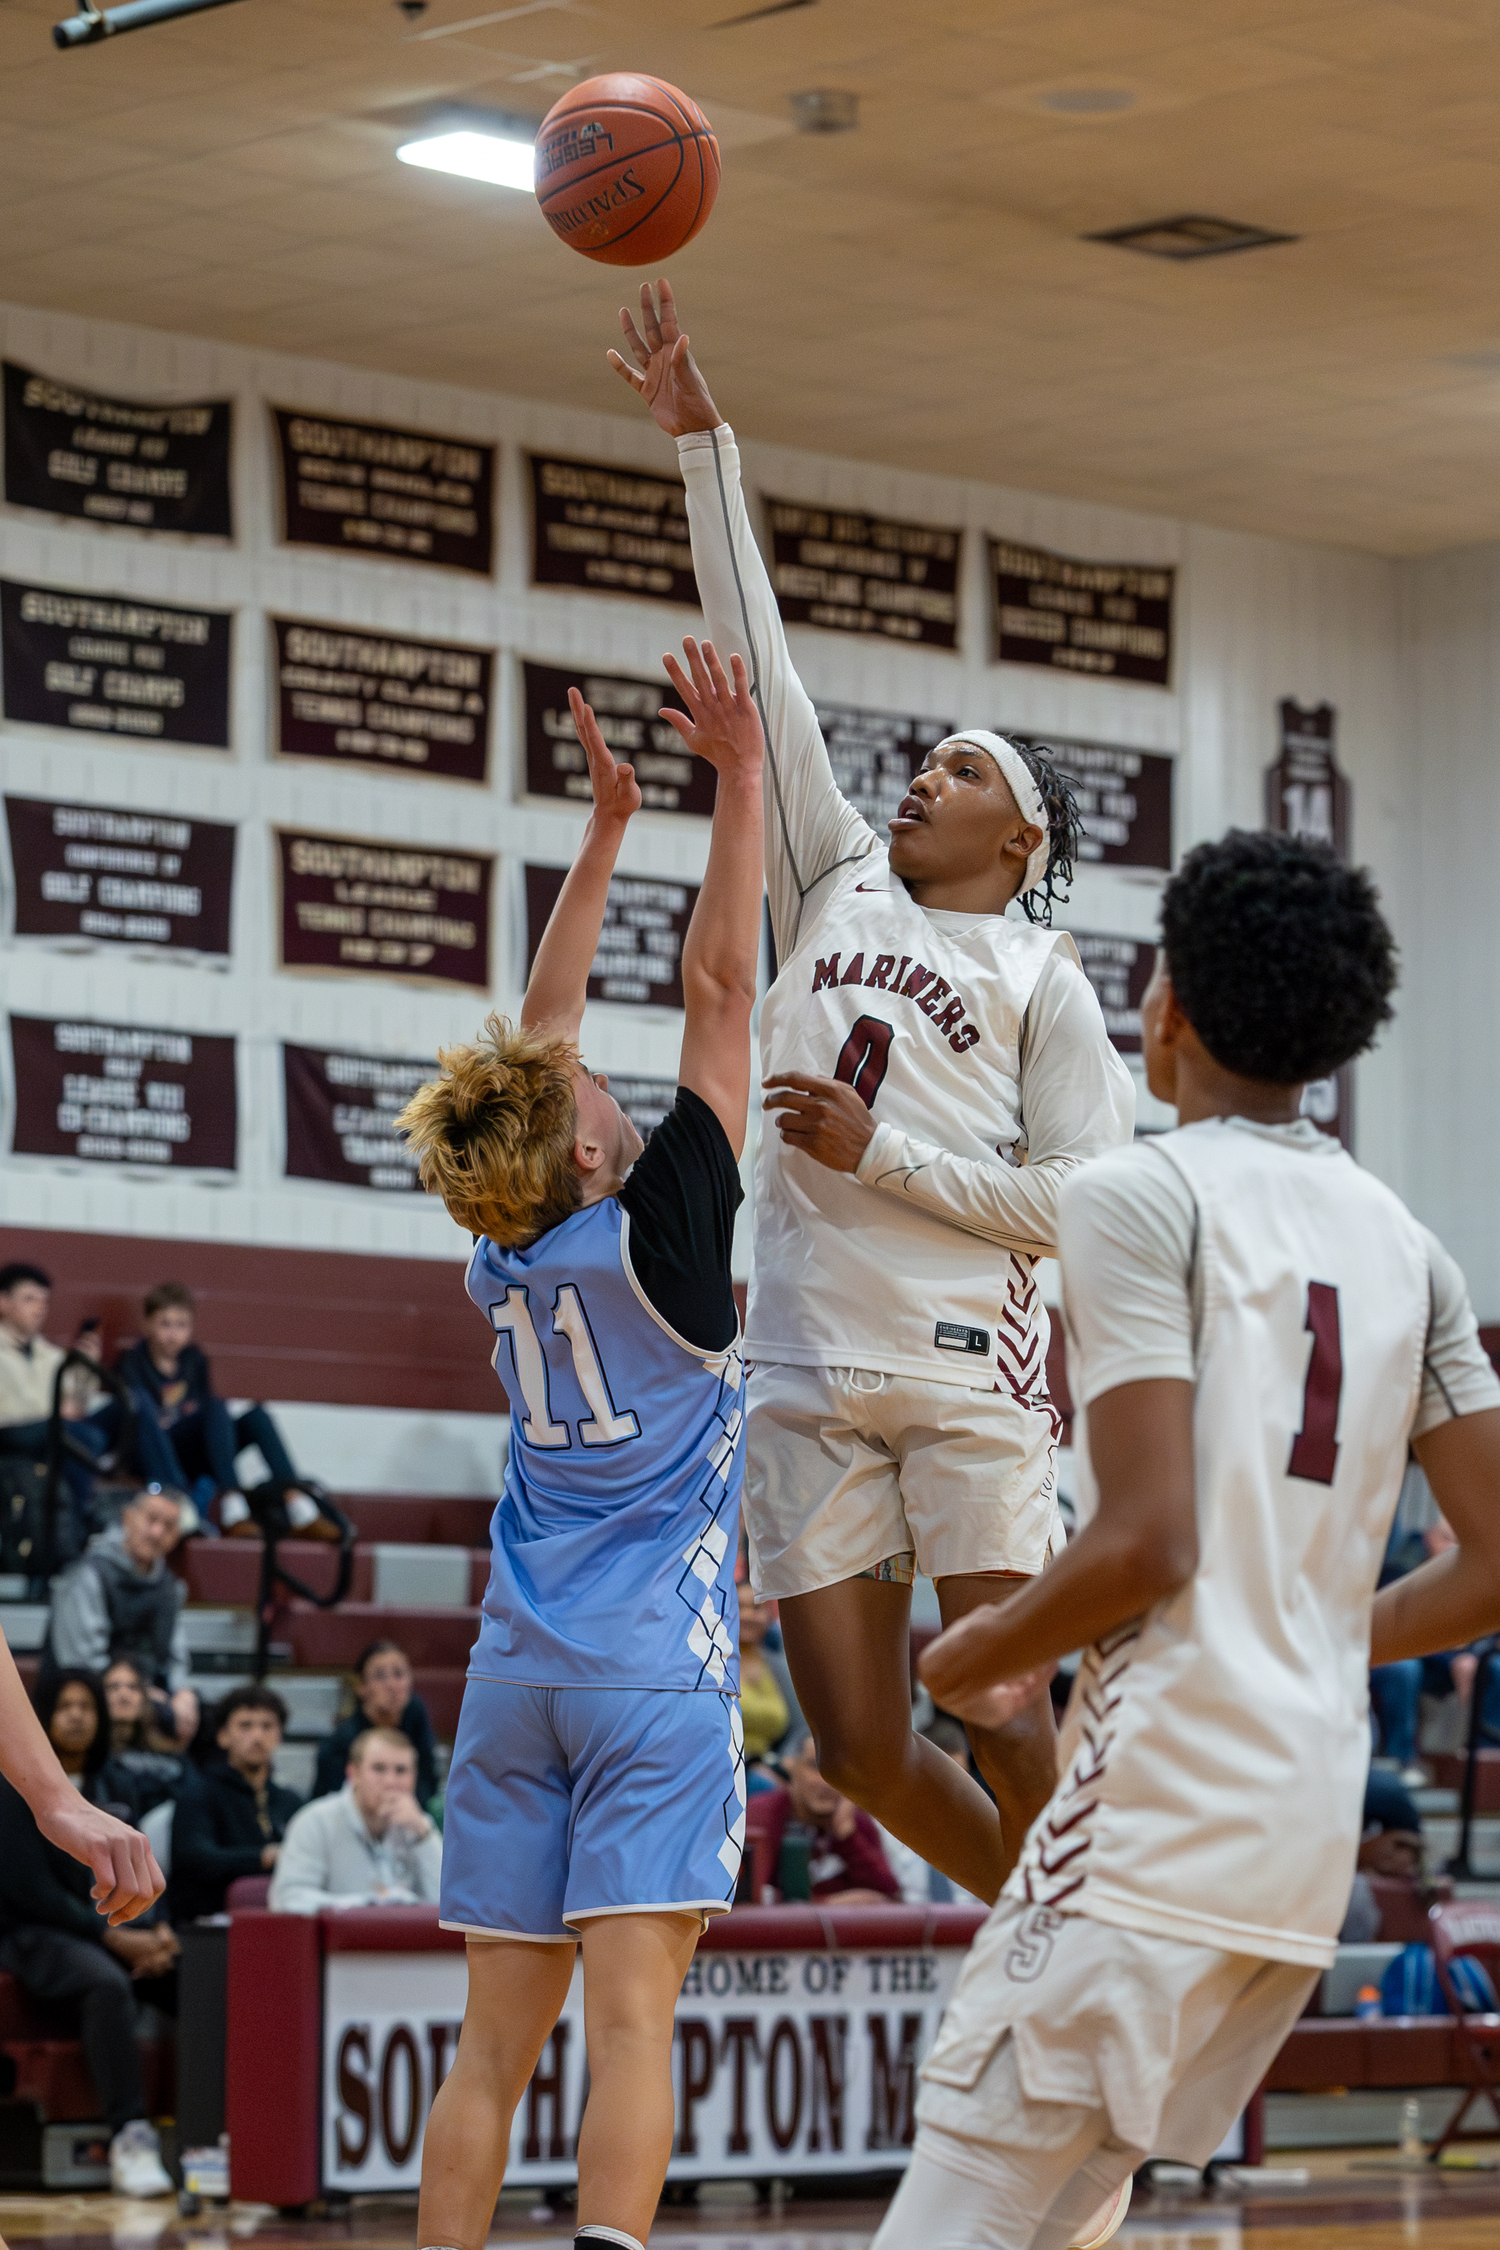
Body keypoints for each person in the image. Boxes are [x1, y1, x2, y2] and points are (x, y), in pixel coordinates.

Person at [867, 829, 1500, 2250]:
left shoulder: (1135, 1193)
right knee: (1073, 2195)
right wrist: (1324, 1629)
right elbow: (1498, 1559)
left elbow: (1148, 1539)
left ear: (1171, 1006)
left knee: (960, 2199)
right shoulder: (1409, 1244)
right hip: (1301, 1838)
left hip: (1163, 1791)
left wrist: (979, 1650)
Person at [608, 281, 1134, 1906]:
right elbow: (761, 668)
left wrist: (880, 1149)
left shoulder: (1046, 984)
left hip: (971, 1364)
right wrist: (703, 443)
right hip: (808, 1359)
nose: (930, 773)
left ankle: (1082, 1974)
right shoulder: (830, 873)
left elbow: (1084, 1207)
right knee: (854, 1744)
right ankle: (1051, 1945)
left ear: (1023, 844)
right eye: (930, 756)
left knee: (993, 1691)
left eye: (970, 769)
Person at [398, 633, 764, 2250]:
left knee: (491, 2051)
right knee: (631, 2035)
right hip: (648, 1680)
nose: (589, 1069)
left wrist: (606, 831)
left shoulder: (503, 1249)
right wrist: (738, 782)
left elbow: (537, 1045)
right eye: (590, 1089)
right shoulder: (657, 1234)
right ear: (599, 1147)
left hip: (517, 1676)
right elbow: (721, 987)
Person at [0, 1670, 178, 2196]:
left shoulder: (116, 1784)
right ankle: (129, 2136)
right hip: (32, 1934)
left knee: (196, 1976)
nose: (77, 1715)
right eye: (65, 1706)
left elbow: (136, 1869)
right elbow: (28, 1891)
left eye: (87, 1706)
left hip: (107, 1929)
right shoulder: (15, 1787)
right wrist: (115, 1937)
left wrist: (154, 1931)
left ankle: (213, 2135)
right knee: (104, 1983)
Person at [116, 1281, 339, 1541]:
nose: (173, 1334)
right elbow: (144, 1424)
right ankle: (233, 1505)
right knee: (215, 1407)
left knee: (256, 1416)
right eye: (165, 1324)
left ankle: (299, 1505)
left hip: (199, 1452)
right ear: (147, 1325)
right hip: (164, 1455)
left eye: (181, 1325)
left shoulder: (193, 1359)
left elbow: (204, 1415)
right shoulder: (133, 1362)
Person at [45, 1484, 199, 1743]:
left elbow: (175, 1654)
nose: (156, 1532)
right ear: (128, 1518)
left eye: (169, 1526)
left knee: (199, 1718)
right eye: (151, 1520)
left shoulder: (170, 1587)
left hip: (144, 1692)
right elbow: (80, 1661)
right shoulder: (87, 1573)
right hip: (88, 1692)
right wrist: (140, 1692)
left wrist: (183, 1692)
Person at [0, 1261, 116, 1558]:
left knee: (117, 1416)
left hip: (50, 1434)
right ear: (3, 1302)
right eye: (29, 1299)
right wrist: (57, 1415)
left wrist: (85, 1370)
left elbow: (74, 1409)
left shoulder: (51, 1356)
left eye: (44, 1301)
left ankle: (76, 1520)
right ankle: (79, 1520)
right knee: (80, 1438)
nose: (39, 1308)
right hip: (10, 1434)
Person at [271, 1728, 442, 1912]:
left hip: (406, 1939)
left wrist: (424, 1836)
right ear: (353, 1774)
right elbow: (288, 1898)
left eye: (401, 1771)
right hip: (340, 1939)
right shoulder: (315, 1821)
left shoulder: (418, 1825)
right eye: (379, 1769)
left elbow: (448, 1904)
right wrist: (366, 1906)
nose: (391, 1781)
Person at [171, 1686, 301, 1922]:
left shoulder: (290, 1801)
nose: (257, 1736)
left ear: (279, 1735)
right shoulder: (198, 1792)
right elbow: (195, 1859)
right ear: (223, 1736)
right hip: (208, 1923)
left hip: (280, 1916)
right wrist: (263, 1857)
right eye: (245, 1725)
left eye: (267, 1726)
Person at [756, 1733, 901, 1905]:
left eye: (839, 1772)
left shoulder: (855, 1820)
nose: (827, 1783)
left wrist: (847, 1834)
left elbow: (889, 1895)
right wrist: (827, 1903)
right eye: (814, 1766)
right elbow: (750, 1896)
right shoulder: (761, 1816)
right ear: (790, 1765)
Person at [311, 1639, 439, 1805]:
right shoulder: (341, 1741)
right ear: (361, 1686)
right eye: (380, 1676)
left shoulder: (415, 1712)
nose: (392, 1685)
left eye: (399, 1674)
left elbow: (428, 1780)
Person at [104, 1655, 186, 1815]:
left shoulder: (172, 1757)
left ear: (144, 1697)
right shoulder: (92, 1761)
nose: (124, 1695)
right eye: (113, 1687)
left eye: (133, 1687)